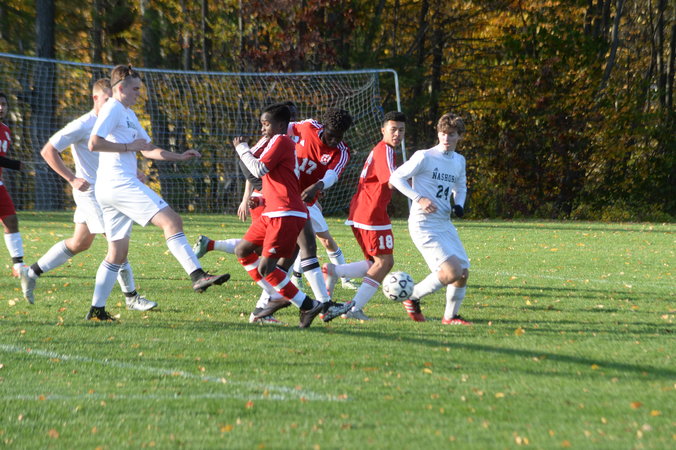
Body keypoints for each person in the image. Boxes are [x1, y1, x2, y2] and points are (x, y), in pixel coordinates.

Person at [86, 64, 229, 321]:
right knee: (171, 221)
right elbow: (94, 143)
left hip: (110, 188)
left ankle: (96, 310)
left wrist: (179, 156)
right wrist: (128, 147)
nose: (139, 93)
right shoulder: (113, 108)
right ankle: (198, 275)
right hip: (120, 184)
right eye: (135, 89)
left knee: (117, 254)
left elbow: (147, 148)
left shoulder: (128, 113)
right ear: (121, 88)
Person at [19, 79, 155, 311]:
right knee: (116, 243)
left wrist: (134, 172)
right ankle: (131, 297)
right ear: (95, 98)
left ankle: (31, 272)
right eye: (106, 99)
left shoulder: (116, 120)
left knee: (79, 243)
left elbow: (113, 156)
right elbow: (48, 151)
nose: (111, 104)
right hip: (90, 193)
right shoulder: (83, 124)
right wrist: (71, 178)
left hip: (108, 189)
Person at [233, 102, 352, 328]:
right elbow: (269, 141)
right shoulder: (304, 128)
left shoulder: (342, 151)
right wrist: (261, 184)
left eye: (339, 137)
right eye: (331, 135)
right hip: (283, 202)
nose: (334, 140)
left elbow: (333, 175)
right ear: (323, 127)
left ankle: (269, 308)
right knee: (287, 255)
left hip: (301, 202)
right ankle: (317, 305)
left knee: (296, 255)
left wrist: (318, 185)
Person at [322, 111, 406, 320]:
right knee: (384, 263)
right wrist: (421, 187)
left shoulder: (382, 150)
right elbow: (392, 181)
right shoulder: (385, 149)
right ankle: (354, 309)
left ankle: (335, 271)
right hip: (371, 213)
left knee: (375, 262)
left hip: (363, 211)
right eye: (393, 129)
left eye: (401, 130)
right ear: (383, 130)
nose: (397, 134)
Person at [389, 112, 470, 324]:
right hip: (423, 224)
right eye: (443, 133)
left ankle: (450, 317)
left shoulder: (459, 161)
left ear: (459, 136)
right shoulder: (424, 156)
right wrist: (419, 198)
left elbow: (460, 187)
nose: (446, 138)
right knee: (452, 271)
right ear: (438, 133)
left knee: (462, 273)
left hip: (444, 223)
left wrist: (459, 204)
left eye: (451, 134)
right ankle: (412, 296)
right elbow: (396, 177)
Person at [0, 92, 26, 278]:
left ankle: (18, 265)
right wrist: (15, 165)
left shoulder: (6, 130)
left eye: (3, 104)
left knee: (11, 220)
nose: (1, 107)